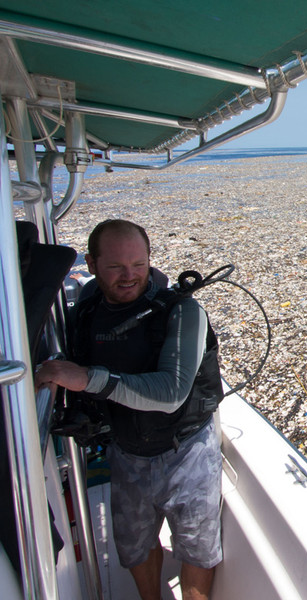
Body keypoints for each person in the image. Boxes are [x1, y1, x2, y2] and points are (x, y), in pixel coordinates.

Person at [36, 219, 222, 600]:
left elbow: (171, 392)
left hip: (187, 452)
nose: (129, 276)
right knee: (134, 546)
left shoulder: (183, 312)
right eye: (115, 267)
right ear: (91, 264)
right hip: (126, 450)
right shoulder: (89, 305)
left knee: (198, 550)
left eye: (139, 265)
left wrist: (87, 379)